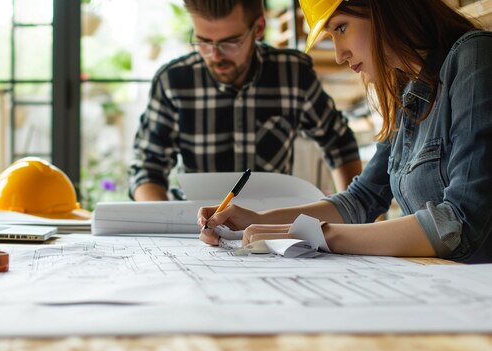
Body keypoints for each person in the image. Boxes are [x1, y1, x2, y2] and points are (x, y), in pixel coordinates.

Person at [199, 0, 492, 263]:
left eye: (341, 27)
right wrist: (258, 219)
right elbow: (361, 199)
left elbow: (460, 224)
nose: (339, 54)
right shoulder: (408, 93)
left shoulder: (475, 57)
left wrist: (314, 235)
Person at [129, 0, 362, 201]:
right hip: (194, 226)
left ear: (258, 27)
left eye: (230, 42)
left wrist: (353, 215)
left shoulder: (292, 74)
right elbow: (148, 168)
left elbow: (339, 143)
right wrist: (163, 222)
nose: (215, 55)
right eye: (203, 41)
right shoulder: (172, 81)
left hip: (272, 225)